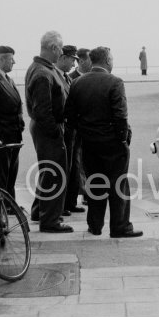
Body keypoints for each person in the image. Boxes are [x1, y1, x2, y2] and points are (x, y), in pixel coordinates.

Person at [65, 46, 142, 238]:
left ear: (92, 61)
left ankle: (95, 225)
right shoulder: (115, 82)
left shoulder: (77, 83)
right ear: (107, 61)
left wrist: (84, 134)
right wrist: (123, 139)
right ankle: (120, 227)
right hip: (113, 143)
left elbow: (70, 116)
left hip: (89, 143)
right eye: (112, 58)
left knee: (95, 184)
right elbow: (120, 116)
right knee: (118, 185)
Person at [25, 30, 73, 233]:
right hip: (48, 128)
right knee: (55, 173)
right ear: (53, 48)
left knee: (48, 171)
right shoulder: (43, 73)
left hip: (45, 127)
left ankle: (39, 211)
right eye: (60, 48)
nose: (61, 52)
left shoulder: (41, 68)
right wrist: (56, 132)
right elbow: (42, 111)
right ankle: (50, 221)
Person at [55, 45, 86, 216]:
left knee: (73, 167)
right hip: (63, 129)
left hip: (72, 130)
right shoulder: (56, 76)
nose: (74, 64)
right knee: (62, 169)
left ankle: (69, 203)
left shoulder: (66, 78)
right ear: (63, 58)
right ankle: (61, 206)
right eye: (72, 60)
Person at [0, 46, 24, 204]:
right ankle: (2, 208)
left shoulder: (8, 79)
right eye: (10, 58)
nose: (14, 62)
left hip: (13, 135)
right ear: (1, 59)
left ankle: (9, 205)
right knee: (1, 175)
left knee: (10, 174)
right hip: (2, 137)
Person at [68, 48, 92, 206]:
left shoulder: (93, 77)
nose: (93, 63)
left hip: (91, 128)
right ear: (81, 61)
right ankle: (78, 194)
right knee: (77, 163)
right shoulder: (70, 78)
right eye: (90, 60)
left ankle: (88, 194)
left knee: (90, 162)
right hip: (77, 127)